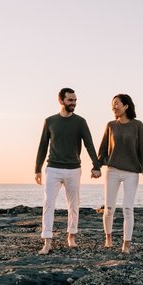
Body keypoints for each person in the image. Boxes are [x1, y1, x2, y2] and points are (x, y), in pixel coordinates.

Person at [35, 88, 102, 254]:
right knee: (48, 204)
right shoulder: (50, 121)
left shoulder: (80, 122)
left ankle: (71, 236)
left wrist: (96, 165)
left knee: (74, 205)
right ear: (61, 101)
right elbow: (43, 146)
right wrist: (37, 169)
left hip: (73, 169)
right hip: (53, 168)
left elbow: (89, 144)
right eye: (70, 100)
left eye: (75, 100)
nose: (73, 103)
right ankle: (47, 241)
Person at [98, 93, 143, 253]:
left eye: (116, 104)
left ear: (126, 106)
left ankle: (126, 245)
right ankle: (108, 238)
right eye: (112, 104)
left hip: (131, 172)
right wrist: (96, 166)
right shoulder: (110, 125)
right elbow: (102, 149)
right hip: (112, 171)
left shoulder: (137, 125)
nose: (113, 107)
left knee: (128, 208)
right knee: (109, 208)